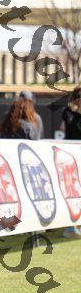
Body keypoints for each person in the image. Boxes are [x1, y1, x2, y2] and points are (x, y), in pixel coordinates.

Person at [60, 86, 81, 237]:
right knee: (72, 191)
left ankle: (73, 225)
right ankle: (71, 226)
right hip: (71, 156)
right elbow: (63, 128)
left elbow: (62, 128)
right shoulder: (67, 112)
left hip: (72, 155)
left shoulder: (67, 112)